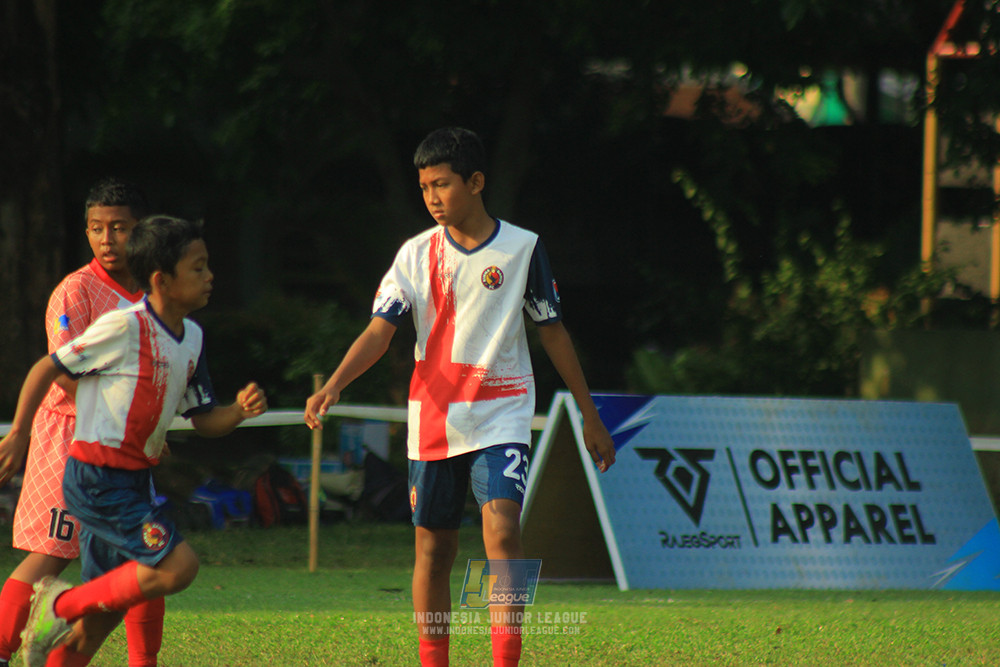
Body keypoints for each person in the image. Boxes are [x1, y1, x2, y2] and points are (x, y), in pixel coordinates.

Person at [304, 127, 617, 667]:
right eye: (424, 186)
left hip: (502, 414)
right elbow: (380, 331)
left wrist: (591, 416)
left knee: (502, 528)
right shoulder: (413, 255)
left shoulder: (523, 249)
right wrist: (335, 383)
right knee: (434, 549)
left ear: (476, 183)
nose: (431, 196)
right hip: (435, 420)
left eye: (442, 184)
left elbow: (553, 332)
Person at [0, 215, 268, 667]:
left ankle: (64, 619)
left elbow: (205, 420)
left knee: (99, 623)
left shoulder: (193, 338)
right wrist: (20, 433)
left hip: (134, 481)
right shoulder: (125, 326)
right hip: (98, 480)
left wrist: (239, 412)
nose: (210, 277)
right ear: (162, 280)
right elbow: (49, 367)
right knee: (179, 567)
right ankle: (58, 606)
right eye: (198, 268)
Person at [0, 177, 168, 667]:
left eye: (119, 228)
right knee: (53, 552)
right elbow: (66, 372)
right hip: (69, 439)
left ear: (142, 233)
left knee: (148, 557)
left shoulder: (151, 296)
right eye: (96, 228)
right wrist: (20, 432)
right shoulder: (75, 290)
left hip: (126, 447)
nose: (107, 239)